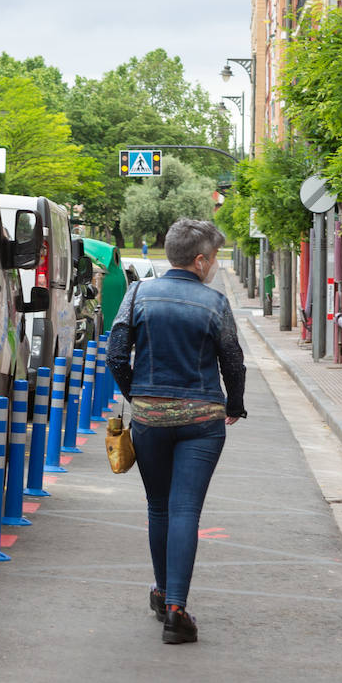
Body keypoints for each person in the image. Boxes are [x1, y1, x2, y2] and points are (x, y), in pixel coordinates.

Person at [107, 218, 246, 644]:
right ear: (200, 260)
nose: (215, 264)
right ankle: (176, 610)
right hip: (202, 422)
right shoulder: (215, 303)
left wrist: (139, 397)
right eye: (215, 257)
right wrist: (234, 405)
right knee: (186, 510)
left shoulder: (138, 294)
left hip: (150, 419)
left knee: (158, 507)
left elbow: (115, 354)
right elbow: (233, 361)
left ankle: (162, 590)